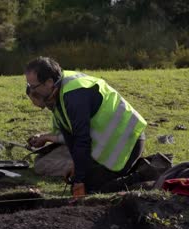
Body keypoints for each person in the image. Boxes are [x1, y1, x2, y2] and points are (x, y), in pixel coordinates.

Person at [24, 56, 147, 198]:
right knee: (79, 183)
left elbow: (82, 139)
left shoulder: (74, 95)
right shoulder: (58, 94)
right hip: (110, 145)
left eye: (33, 86)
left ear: (49, 82)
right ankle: (133, 170)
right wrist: (77, 169)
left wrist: (80, 180)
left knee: (90, 189)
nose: (31, 91)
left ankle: (143, 176)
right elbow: (71, 138)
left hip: (127, 143)